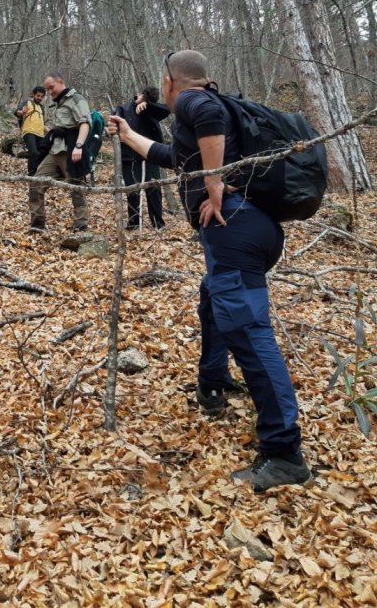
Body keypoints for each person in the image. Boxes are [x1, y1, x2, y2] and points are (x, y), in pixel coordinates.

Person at [108, 50, 310, 493]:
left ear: (171, 81)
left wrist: (215, 185)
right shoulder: (209, 115)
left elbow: (206, 119)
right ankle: (213, 382)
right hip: (254, 228)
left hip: (233, 228)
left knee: (250, 332)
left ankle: (284, 451)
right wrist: (127, 136)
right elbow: (171, 155)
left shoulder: (193, 101)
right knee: (212, 301)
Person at [29, 72, 90, 232]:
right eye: (47, 90)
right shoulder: (57, 104)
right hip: (54, 151)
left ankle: (80, 227)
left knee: (76, 189)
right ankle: (37, 225)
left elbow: (85, 124)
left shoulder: (77, 100)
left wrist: (78, 146)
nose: (50, 92)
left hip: (71, 151)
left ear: (61, 82)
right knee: (36, 184)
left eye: (51, 88)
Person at [114, 85, 169, 229]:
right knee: (132, 191)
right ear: (139, 94)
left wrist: (149, 106)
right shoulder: (124, 109)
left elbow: (166, 110)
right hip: (129, 157)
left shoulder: (151, 109)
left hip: (150, 155)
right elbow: (113, 123)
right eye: (144, 98)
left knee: (154, 190)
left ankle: (158, 224)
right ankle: (133, 224)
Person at [20, 86, 46, 175]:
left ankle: (37, 173)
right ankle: (31, 174)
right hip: (29, 131)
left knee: (42, 153)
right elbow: (17, 112)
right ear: (34, 95)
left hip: (40, 134)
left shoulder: (42, 108)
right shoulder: (27, 102)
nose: (40, 98)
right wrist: (22, 112)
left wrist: (49, 130)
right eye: (38, 95)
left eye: (42, 96)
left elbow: (42, 122)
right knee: (34, 152)